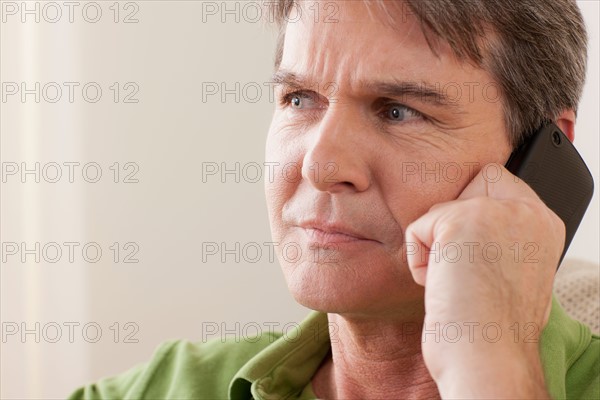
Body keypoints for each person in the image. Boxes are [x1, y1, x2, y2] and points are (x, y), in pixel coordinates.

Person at [68, 0, 599, 398]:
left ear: (536, 157)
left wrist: (491, 365)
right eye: (300, 99)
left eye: (398, 110)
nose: (320, 166)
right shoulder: (165, 387)